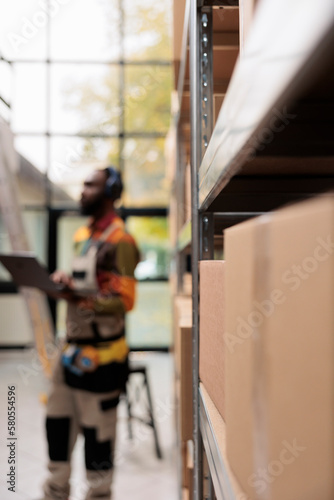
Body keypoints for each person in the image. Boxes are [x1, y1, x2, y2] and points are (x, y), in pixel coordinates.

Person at [42, 167, 140, 500]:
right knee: (57, 424)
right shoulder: (84, 236)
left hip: (101, 358)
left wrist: (78, 297)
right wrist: (66, 284)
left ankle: (98, 494)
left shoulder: (121, 241)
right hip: (70, 350)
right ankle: (55, 490)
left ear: (110, 190)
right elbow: (88, 285)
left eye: (90, 185)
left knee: (98, 438)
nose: (82, 191)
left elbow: (124, 300)